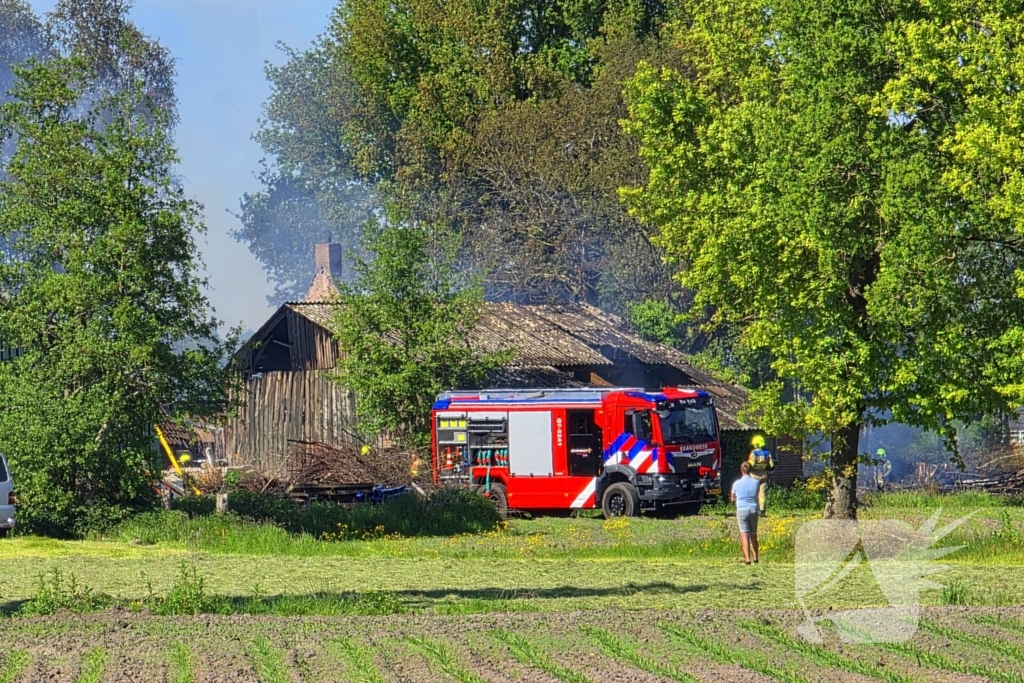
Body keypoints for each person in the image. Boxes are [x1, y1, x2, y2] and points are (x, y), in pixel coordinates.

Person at [731, 461, 760, 565]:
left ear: (741, 470)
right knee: (753, 535)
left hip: (742, 510)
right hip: (753, 509)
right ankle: (756, 558)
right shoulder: (756, 482)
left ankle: (748, 560)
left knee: (744, 535)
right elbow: (756, 495)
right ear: (750, 470)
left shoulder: (736, 484)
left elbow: (733, 498)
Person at [747, 435, 775, 517]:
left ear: (756, 444)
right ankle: (762, 510)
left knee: (753, 493)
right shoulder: (767, 453)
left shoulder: (753, 453)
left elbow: (751, 464)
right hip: (763, 475)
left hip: (754, 476)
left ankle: (754, 510)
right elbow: (772, 465)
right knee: (762, 493)